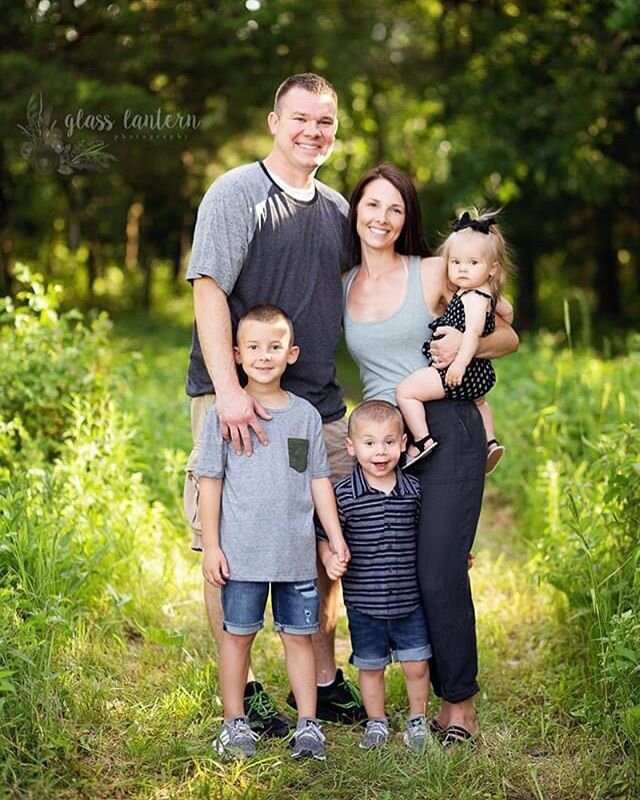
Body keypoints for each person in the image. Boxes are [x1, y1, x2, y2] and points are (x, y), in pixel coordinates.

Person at [183, 72, 365, 737]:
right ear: (273, 122)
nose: (313, 132)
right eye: (301, 119)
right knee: (227, 541)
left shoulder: (340, 210)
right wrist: (229, 392)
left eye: (326, 122)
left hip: (315, 405)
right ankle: (248, 690)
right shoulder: (236, 194)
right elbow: (207, 290)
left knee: (319, 545)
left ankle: (320, 679)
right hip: (237, 401)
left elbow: (374, 288)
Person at [342, 164, 519, 745]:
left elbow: (505, 328)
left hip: (445, 428)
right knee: (405, 571)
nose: (382, 218)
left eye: (395, 208)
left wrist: (467, 347)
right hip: (386, 446)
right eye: (372, 205)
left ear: (407, 218)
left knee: (440, 572)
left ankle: (458, 706)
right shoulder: (343, 284)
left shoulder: (430, 273)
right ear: (356, 211)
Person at [196, 305, 350, 760]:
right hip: (241, 555)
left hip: (295, 555)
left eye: (275, 347)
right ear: (237, 354)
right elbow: (211, 483)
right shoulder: (224, 415)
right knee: (237, 636)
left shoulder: (304, 417)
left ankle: (308, 726)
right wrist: (212, 546)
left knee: (299, 637)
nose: (265, 356)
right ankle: (234, 722)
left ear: (292, 353)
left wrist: (334, 538)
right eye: (255, 348)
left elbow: (316, 479)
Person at [319, 400, 432, 753]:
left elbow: (430, 537)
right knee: (371, 667)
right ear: (351, 447)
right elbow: (324, 537)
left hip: (409, 600)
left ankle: (418, 721)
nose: (379, 452)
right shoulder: (344, 496)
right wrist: (328, 559)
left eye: (388, 442)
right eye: (369, 443)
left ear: (403, 444)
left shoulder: (413, 491)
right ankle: (377, 722)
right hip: (364, 604)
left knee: (416, 663)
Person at [396, 210, 514, 471]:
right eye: (456, 262)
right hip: (479, 374)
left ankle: (423, 440)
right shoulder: (486, 294)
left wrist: (459, 365)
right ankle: (491, 442)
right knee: (480, 402)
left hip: (457, 370)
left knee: (406, 392)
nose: (462, 269)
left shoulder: (472, 299)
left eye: (473, 263)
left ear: (492, 269)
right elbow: (507, 312)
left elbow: (471, 335)